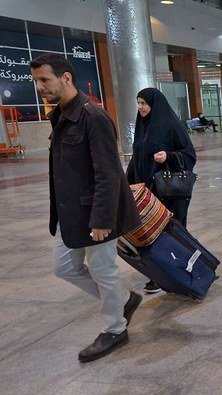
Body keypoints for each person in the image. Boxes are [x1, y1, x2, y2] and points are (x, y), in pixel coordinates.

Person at [30, 54, 142, 363]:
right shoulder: (62, 114)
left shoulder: (93, 116)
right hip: (71, 213)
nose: (40, 87)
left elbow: (108, 172)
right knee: (64, 266)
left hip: (96, 214)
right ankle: (124, 299)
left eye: (45, 80)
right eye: (36, 81)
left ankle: (116, 328)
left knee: (104, 270)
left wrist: (103, 217)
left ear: (66, 78)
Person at [127, 87, 197, 294]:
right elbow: (136, 157)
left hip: (168, 191)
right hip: (147, 191)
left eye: (143, 103)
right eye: (138, 103)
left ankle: (185, 268)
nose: (140, 107)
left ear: (153, 104)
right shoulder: (141, 126)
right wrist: (127, 183)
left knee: (170, 233)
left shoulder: (171, 125)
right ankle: (157, 274)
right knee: (150, 233)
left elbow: (189, 155)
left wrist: (169, 156)